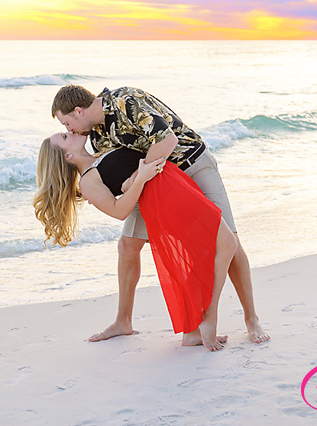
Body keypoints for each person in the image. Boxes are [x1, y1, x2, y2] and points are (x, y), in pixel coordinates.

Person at [51, 85, 270, 345]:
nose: (69, 130)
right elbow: (113, 169)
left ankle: (251, 319)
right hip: (157, 184)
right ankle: (124, 321)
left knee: (230, 243)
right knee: (127, 245)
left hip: (192, 165)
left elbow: (168, 142)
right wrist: (96, 190)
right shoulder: (97, 136)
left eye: (67, 124)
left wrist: (134, 178)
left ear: (78, 111)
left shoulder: (126, 101)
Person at [34, 131, 236, 350]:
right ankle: (208, 319)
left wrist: (135, 177)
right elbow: (119, 210)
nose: (70, 132)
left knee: (208, 249)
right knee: (226, 244)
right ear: (67, 157)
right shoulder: (87, 181)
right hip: (165, 192)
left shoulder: (100, 150)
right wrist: (140, 177)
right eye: (64, 137)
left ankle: (192, 331)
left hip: (172, 182)